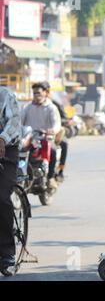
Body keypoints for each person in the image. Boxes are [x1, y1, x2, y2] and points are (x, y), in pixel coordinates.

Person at [21, 82, 62, 190]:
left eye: (39, 93)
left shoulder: (51, 108)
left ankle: (51, 178)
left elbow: (57, 124)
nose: (36, 96)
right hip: (30, 139)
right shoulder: (27, 107)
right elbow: (19, 122)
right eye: (34, 93)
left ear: (46, 93)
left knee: (52, 149)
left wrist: (53, 130)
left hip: (45, 138)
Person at [0, 85, 21, 268]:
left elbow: (13, 123)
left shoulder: (5, 94)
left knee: (1, 198)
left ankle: (7, 251)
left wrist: (2, 139)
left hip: (6, 150)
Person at [51, 98, 69, 182]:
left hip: (52, 134)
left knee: (64, 143)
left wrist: (57, 125)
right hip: (36, 135)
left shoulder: (54, 105)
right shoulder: (31, 106)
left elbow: (65, 118)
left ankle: (60, 170)